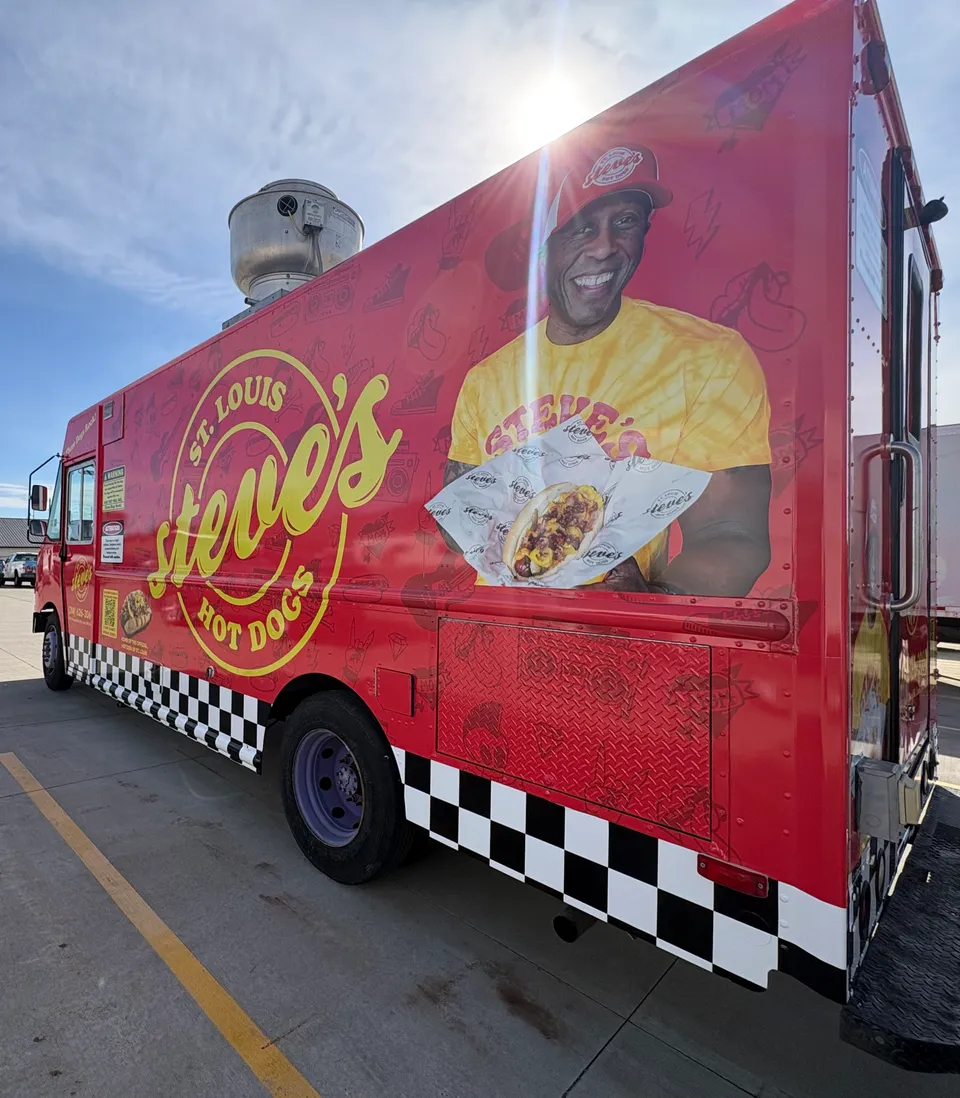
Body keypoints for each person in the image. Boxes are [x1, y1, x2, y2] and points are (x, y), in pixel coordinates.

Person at [442, 139, 772, 596]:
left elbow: (732, 533)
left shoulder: (706, 357)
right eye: (581, 227)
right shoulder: (485, 380)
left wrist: (652, 600)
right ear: (544, 248)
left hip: (616, 630)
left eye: (625, 221)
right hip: (498, 621)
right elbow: (456, 523)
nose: (604, 248)